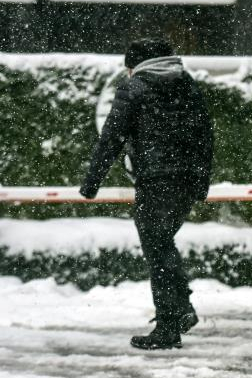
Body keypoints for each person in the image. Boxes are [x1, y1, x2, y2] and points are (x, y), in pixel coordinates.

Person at [80, 38, 214, 350]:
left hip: (155, 180)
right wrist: (201, 180)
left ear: (135, 65)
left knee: (157, 248)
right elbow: (206, 133)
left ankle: (169, 324)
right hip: (185, 179)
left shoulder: (136, 86)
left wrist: (92, 182)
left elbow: (112, 135)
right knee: (163, 242)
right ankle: (182, 310)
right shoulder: (187, 84)